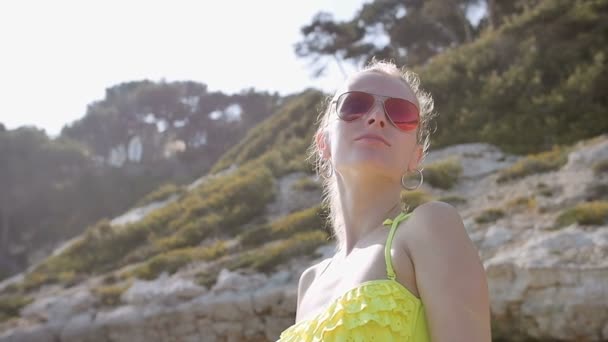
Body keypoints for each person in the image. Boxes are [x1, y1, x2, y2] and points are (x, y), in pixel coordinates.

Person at [278, 59, 491, 341]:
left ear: (416, 157)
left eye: (401, 114)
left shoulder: (430, 228)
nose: (377, 117)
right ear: (323, 143)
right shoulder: (310, 282)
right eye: (354, 105)